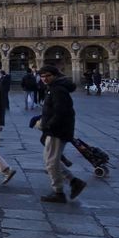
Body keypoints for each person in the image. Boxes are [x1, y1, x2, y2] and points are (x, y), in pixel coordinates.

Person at [34, 65, 86, 203]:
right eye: (42, 76)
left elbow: (61, 112)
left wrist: (48, 125)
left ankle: (58, 192)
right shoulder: (53, 88)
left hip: (57, 130)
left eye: (48, 76)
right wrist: (42, 119)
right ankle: (74, 181)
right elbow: (52, 110)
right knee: (50, 160)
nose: (44, 79)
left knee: (51, 162)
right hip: (56, 129)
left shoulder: (57, 90)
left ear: (55, 75)